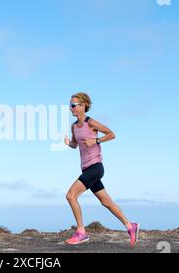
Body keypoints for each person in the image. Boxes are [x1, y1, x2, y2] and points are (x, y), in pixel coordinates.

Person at [64, 92, 140, 247]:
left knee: (71, 196)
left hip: (96, 167)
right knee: (106, 202)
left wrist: (96, 140)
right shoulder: (74, 127)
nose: (70, 108)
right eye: (70, 105)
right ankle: (130, 226)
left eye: (73, 105)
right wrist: (67, 143)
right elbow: (75, 144)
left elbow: (112, 134)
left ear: (83, 106)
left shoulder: (91, 123)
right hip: (86, 169)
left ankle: (81, 232)